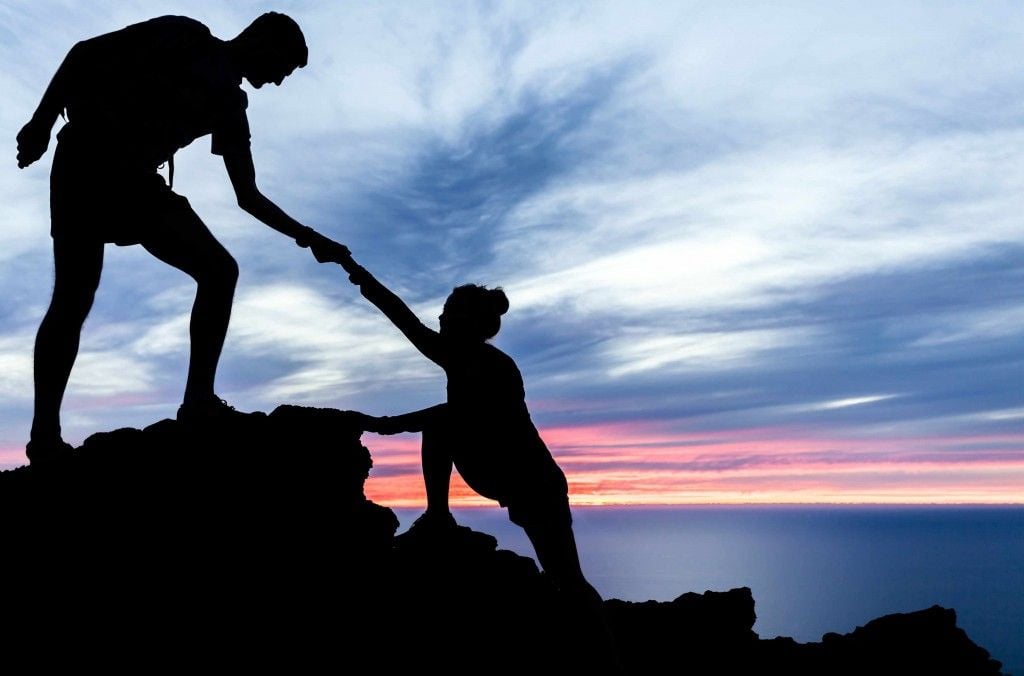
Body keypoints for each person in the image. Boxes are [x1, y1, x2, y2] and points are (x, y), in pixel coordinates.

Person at [16, 13, 343, 465]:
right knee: (74, 296)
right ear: (263, 39)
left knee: (219, 270)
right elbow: (83, 54)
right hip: (88, 161)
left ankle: (198, 402)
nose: (279, 81)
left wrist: (308, 237)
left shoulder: (231, 106)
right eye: (283, 66)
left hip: (139, 185)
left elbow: (248, 195)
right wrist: (41, 121)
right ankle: (44, 437)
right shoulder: (185, 34)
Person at [312, 246, 602, 607]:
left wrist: (383, 425)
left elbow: (454, 413)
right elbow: (400, 315)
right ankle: (437, 516)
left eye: (449, 311)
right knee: (565, 580)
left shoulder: (490, 365)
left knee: (569, 581)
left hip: (532, 482)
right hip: (505, 472)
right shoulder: (460, 354)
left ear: (466, 321)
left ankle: (606, 654)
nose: (440, 316)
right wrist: (352, 269)